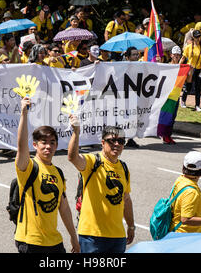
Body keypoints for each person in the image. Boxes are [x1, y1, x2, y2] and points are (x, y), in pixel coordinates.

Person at [14, 96, 80, 253]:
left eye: (52, 142)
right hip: (31, 241)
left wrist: (73, 236)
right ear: (35, 145)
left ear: (57, 145)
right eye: (43, 142)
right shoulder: (28, 166)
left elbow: (63, 208)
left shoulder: (57, 172)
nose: (48, 146)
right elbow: (21, 145)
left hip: (55, 242)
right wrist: (24, 113)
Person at [68, 118, 135, 253]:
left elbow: (126, 199)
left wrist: (131, 226)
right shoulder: (93, 161)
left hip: (117, 236)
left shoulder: (123, 167)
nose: (116, 144)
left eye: (121, 141)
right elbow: (73, 157)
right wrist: (76, 131)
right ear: (103, 143)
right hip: (92, 236)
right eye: (112, 141)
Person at [169, 151, 201, 234]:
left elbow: (194, 211)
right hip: (185, 237)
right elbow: (185, 219)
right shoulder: (191, 192)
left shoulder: (181, 180)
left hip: (183, 233)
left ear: (183, 167)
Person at [158, 46, 183, 144]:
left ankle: (168, 135)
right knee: (166, 116)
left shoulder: (181, 67)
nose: (176, 57)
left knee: (173, 116)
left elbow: (188, 80)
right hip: (168, 96)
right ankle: (164, 135)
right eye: (175, 55)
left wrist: (190, 71)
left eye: (178, 55)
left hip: (176, 96)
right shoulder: (167, 66)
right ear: (171, 55)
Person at [180, 29, 201, 112]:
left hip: (198, 69)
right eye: (196, 37)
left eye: (199, 37)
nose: (198, 38)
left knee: (198, 88)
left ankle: (197, 105)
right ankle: (183, 101)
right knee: (188, 86)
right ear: (193, 37)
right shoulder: (188, 47)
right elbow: (183, 58)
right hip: (190, 69)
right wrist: (178, 67)